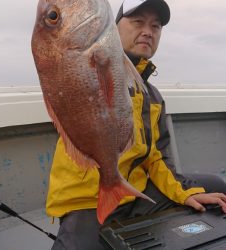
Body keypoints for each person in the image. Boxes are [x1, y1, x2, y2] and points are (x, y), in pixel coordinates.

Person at [48, 0, 226, 249]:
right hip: (86, 200)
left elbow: (156, 157)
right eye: (138, 22)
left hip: (135, 191)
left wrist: (184, 193)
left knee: (217, 188)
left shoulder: (151, 95)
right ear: (112, 26)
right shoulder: (89, 63)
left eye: (156, 26)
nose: (148, 31)